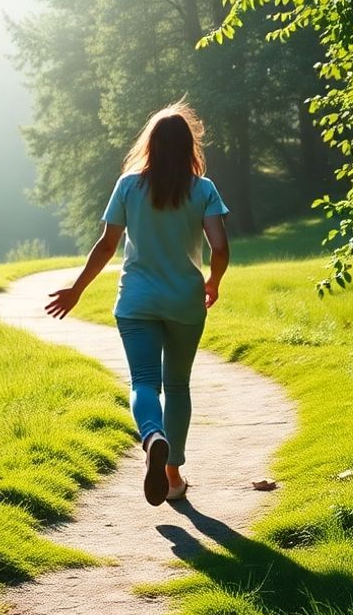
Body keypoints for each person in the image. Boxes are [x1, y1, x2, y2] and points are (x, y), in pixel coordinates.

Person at [44, 100, 230, 506]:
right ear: (188, 147)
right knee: (178, 385)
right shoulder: (204, 189)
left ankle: (153, 436)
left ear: (151, 145)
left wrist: (76, 289)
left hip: (137, 302)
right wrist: (213, 281)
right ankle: (174, 475)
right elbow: (219, 246)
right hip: (185, 301)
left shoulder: (128, 185)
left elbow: (107, 245)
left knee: (144, 381)